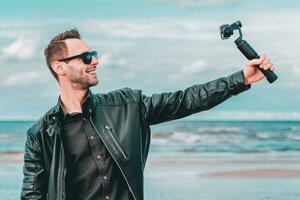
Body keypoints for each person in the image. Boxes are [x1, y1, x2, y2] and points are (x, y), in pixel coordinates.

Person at [21, 28, 275, 200]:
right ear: (60, 67)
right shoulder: (41, 134)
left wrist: (241, 79)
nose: (95, 61)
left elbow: (186, 100)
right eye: (86, 57)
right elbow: (32, 195)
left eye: (94, 55)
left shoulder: (128, 105)